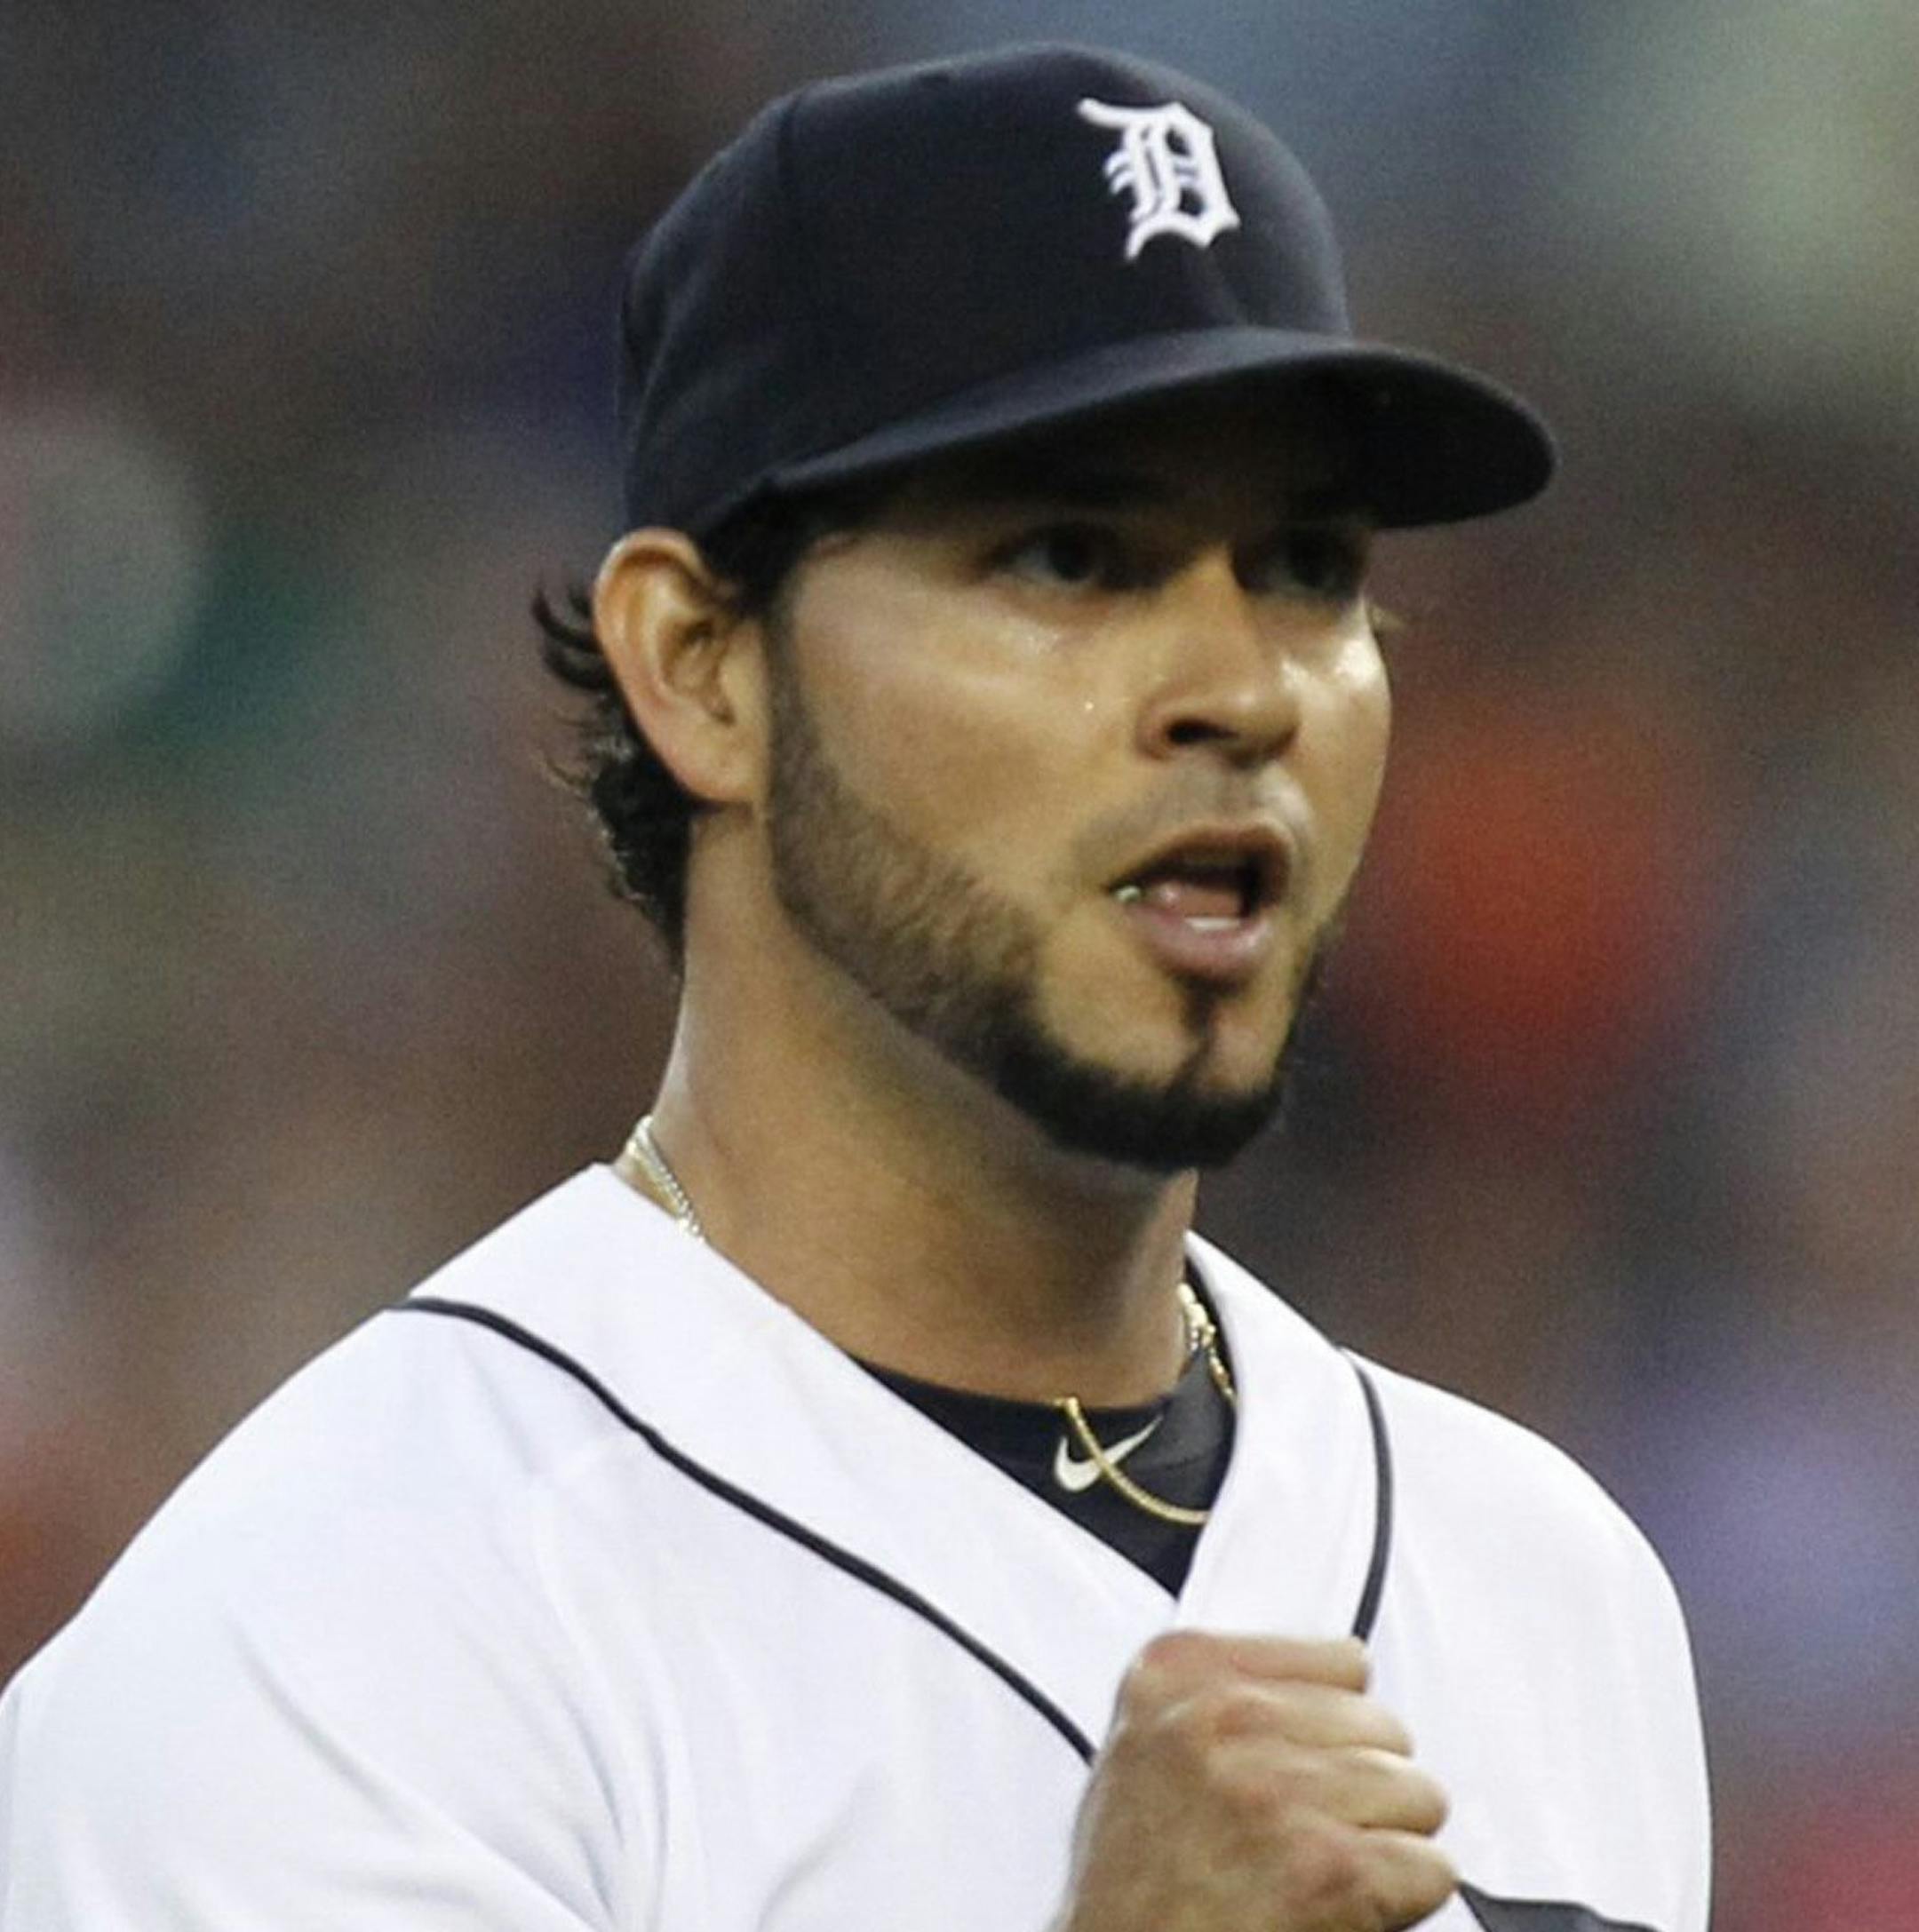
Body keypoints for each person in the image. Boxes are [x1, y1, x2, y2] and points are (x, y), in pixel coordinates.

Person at [0, 43, 1709, 1932]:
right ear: (702, 666)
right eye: (1073, 553)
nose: (1245, 684)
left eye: (1308, 567)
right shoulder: (326, 1650)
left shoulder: (1556, 1590)